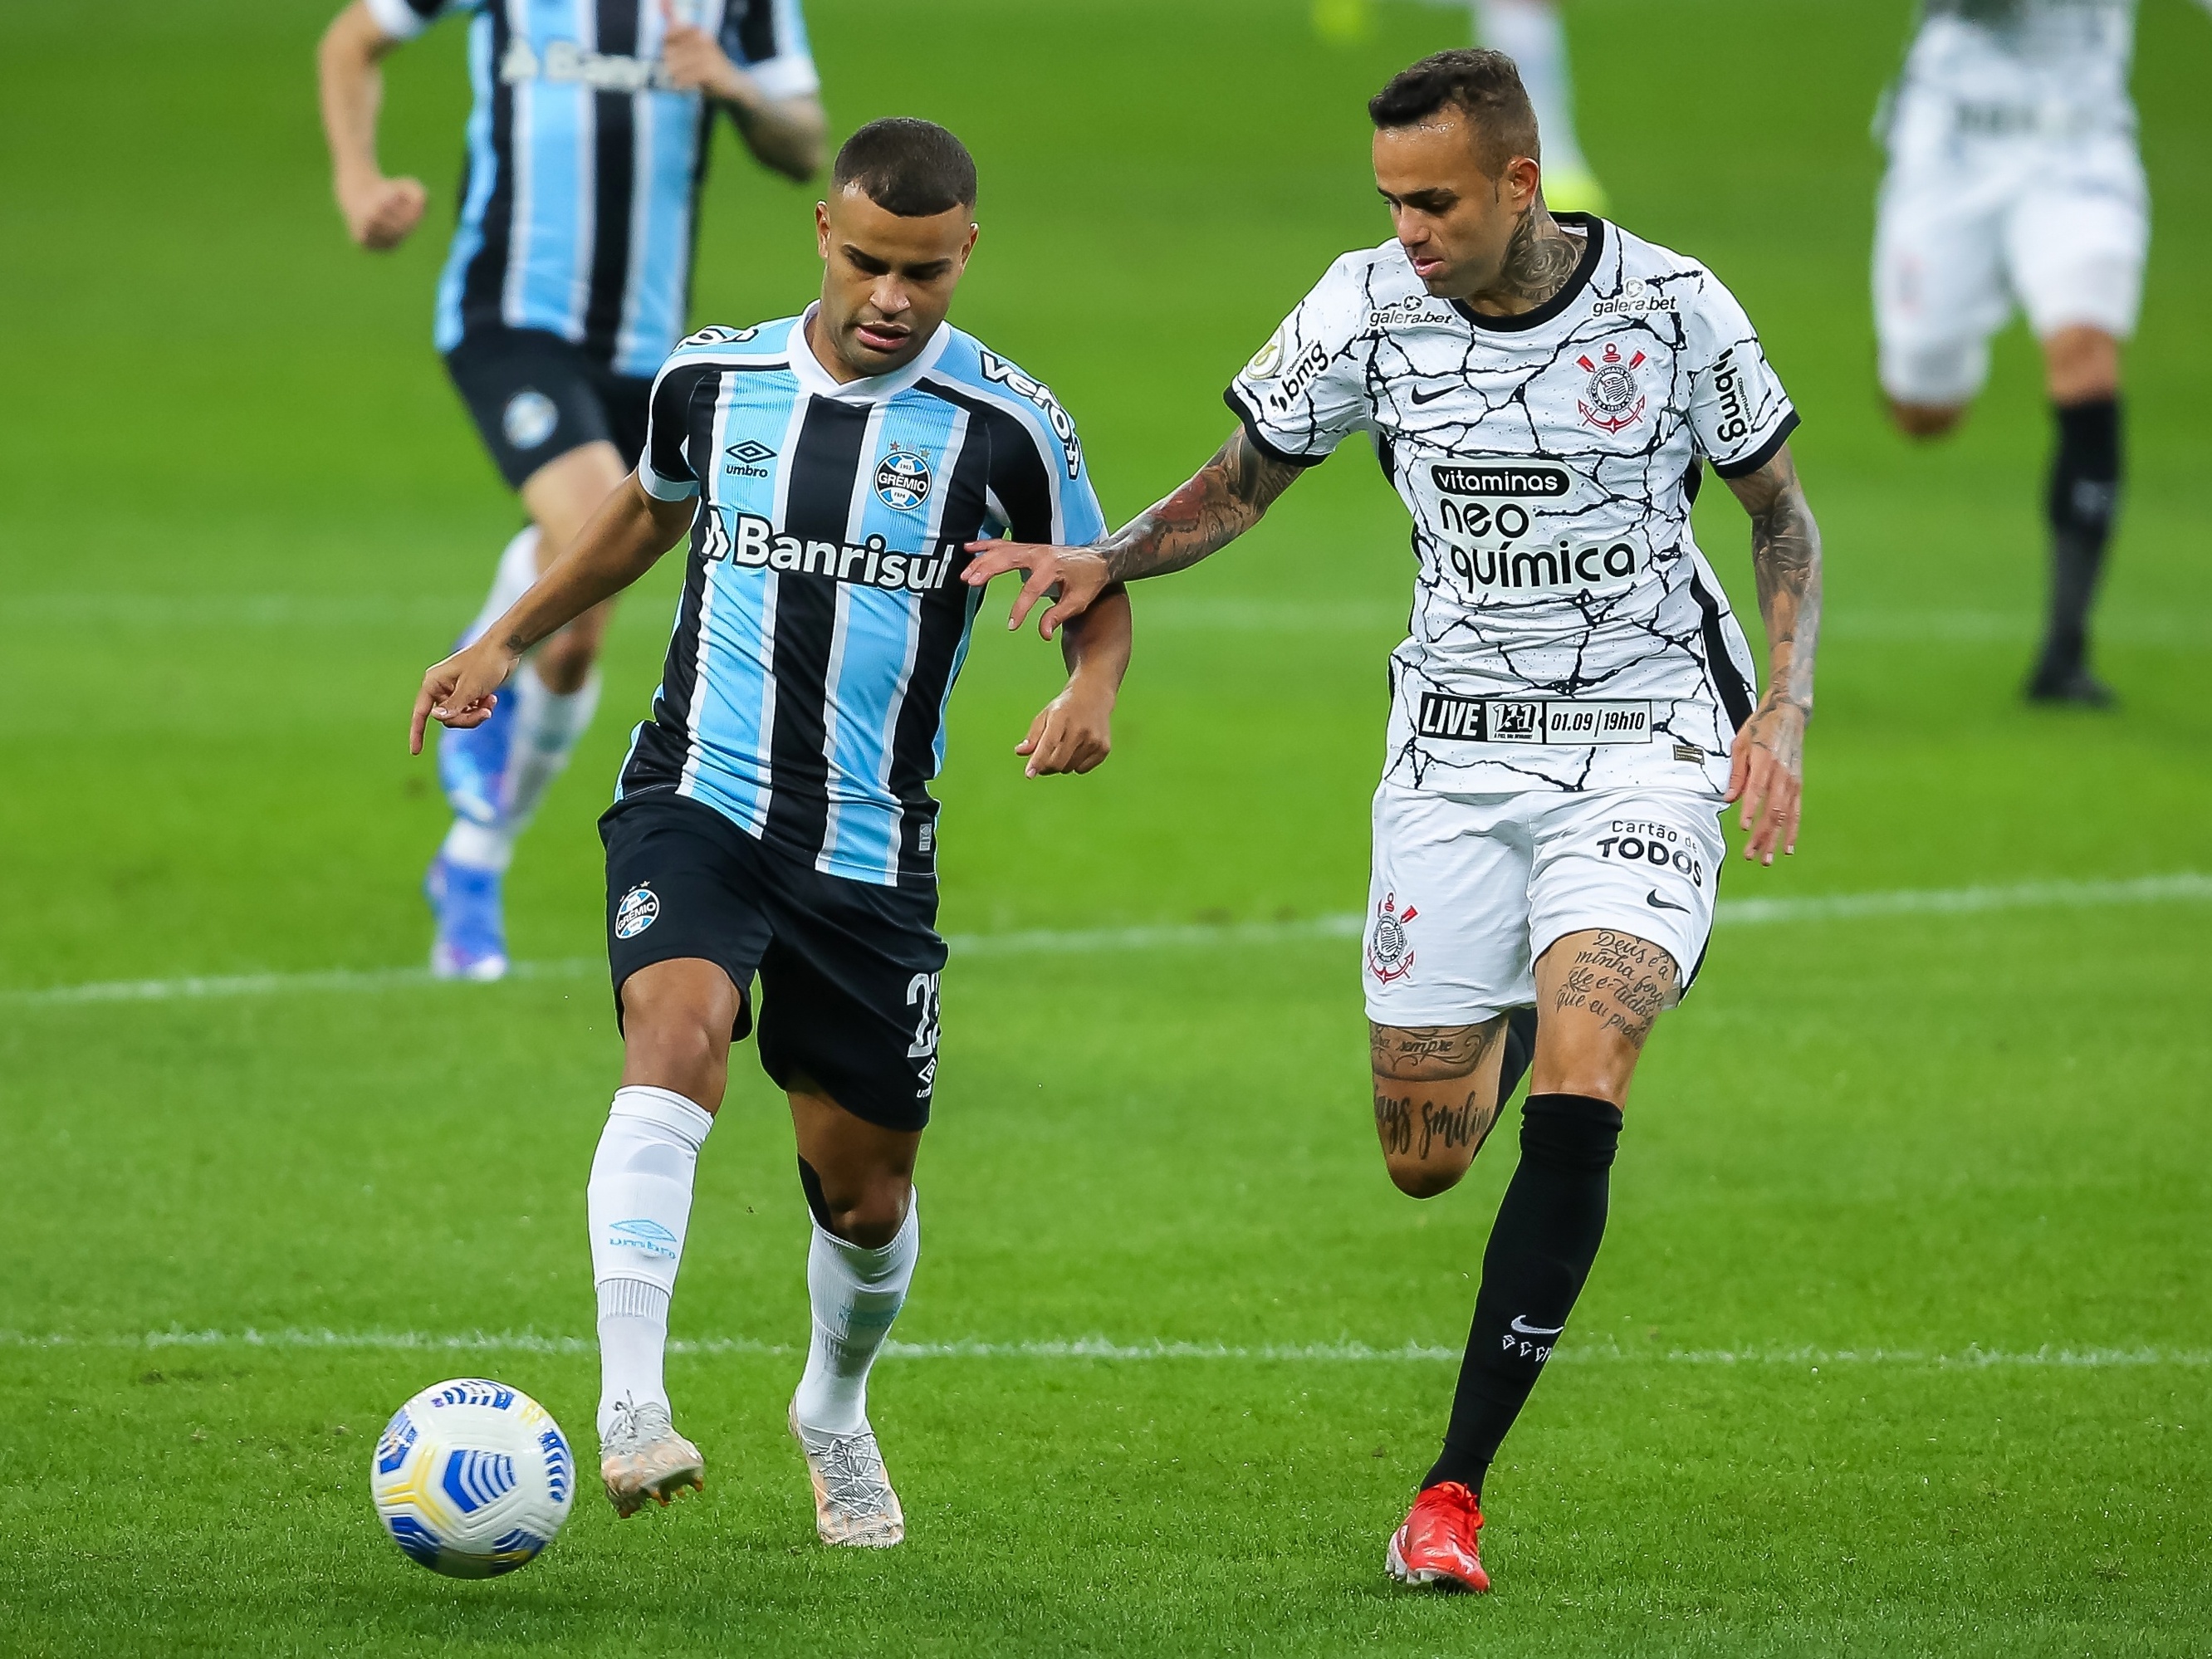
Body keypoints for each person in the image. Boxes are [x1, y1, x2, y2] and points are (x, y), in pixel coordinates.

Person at [962, 50, 1820, 1592]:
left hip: (1643, 733)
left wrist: (1781, 711)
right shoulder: (1363, 304)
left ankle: (1449, 1489)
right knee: (1423, 1153)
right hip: (1448, 749)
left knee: (1585, 1062)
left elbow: (1778, 516)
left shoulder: (1673, 307)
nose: (1407, 227)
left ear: (1514, 182)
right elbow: (1244, 477)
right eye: (1388, 201)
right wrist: (1107, 558)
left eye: (1432, 200)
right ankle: (1513, 971)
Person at [411, 118, 1133, 1546]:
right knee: (672, 1038)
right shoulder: (714, 376)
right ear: (821, 228)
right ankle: (629, 1404)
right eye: (866, 260)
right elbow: (638, 517)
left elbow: (1093, 581)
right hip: (695, 793)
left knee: (862, 1197)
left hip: (866, 846)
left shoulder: (1006, 425)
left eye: (922, 272)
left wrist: (1090, 686)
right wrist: (502, 638)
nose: (889, 297)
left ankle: (831, 1406)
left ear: (964, 252)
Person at [319, 0, 829, 977]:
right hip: (511, 317)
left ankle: (475, 857)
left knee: (586, 618)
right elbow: (353, 38)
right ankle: (489, 660)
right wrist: (358, 179)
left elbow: (804, 141)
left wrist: (733, 83)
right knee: (593, 521)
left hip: (650, 350)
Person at [1873, 0, 2210, 705]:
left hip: (2080, 154)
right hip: (1951, 152)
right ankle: (1952, 320)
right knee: (1924, 411)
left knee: (2085, 352)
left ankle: (2063, 654)